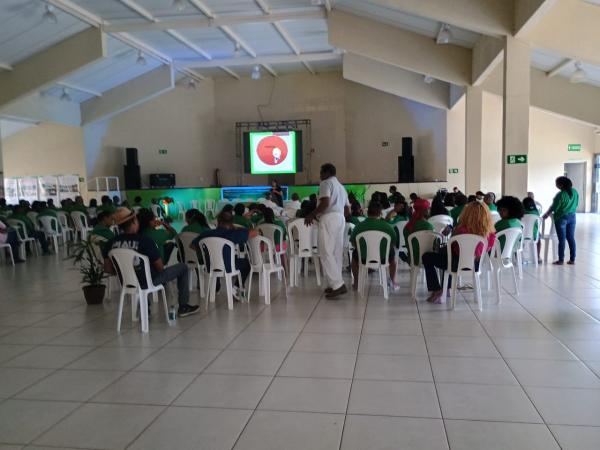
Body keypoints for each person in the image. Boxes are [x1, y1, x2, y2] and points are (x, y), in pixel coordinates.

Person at [102, 208, 199, 317]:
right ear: (134, 221)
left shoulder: (111, 243)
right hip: (148, 281)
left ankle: (145, 308)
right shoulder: (145, 241)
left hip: (127, 282)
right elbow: (160, 268)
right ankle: (183, 306)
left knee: (140, 272)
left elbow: (108, 269)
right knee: (183, 267)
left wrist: (126, 273)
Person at [422, 202, 496, 304]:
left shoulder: (461, 230)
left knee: (427, 257)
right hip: (475, 265)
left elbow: (451, 247)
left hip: (456, 265)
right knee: (450, 257)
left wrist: (451, 233)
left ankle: (437, 289)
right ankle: (446, 288)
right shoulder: (490, 233)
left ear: (467, 214)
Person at [305, 163, 350, 299]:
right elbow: (348, 210)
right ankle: (335, 283)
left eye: (321, 172)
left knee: (325, 251)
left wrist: (312, 214)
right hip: (341, 218)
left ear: (327, 172)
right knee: (336, 252)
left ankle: (337, 284)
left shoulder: (325, 183)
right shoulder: (342, 188)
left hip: (329, 218)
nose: (320, 175)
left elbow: (325, 203)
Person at [192, 211, 259, 297]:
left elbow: (193, 245)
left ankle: (215, 287)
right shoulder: (234, 234)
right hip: (228, 266)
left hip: (210, 265)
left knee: (217, 261)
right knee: (246, 264)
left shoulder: (206, 233)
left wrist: (207, 251)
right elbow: (255, 232)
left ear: (218, 221)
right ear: (231, 222)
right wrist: (234, 227)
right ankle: (236, 288)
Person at [350, 202, 399, 290]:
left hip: (363, 258)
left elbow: (353, 243)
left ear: (367, 213)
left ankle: (356, 282)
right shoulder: (388, 226)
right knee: (393, 257)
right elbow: (393, 242)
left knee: (354, 257)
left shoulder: (358, 227)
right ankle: (393, 281)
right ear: (380, 213)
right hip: (384, 258)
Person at [543, 176, 579, 265]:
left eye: (557, 183)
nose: (556, 185)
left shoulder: (560, 194)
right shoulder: (575, 192)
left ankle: (561, 260)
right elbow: (577, 203)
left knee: (562, 239)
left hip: (561, 218)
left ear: (561, 185)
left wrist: (547, 214)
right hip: (572, 216)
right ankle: (572, 259)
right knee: (571, 238)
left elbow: (554, 207)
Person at [523, 196, 542, 264]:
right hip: (533, 236)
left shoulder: (521, 214)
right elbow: (537, 226)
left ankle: (518, 256)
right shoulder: (536, 213)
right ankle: (538, 256)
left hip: (522, 235)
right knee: (539, 238)